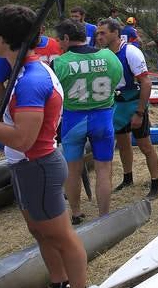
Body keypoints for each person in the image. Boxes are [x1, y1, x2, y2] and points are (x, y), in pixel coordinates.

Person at [0, 6, 91, 288]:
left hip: (38, 165)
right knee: (40, 231)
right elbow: (19, 119)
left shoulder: (32, 78)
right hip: (24, 167)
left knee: (61, 235)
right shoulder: (21, 72)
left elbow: (23, 139)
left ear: (3, 39)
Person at [52, 19, 122, 224]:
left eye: (59, 40)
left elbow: (54, 93)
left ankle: (75, 213)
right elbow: (117, 81)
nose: (58, 44)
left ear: (66, 38)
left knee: (72, 171)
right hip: (103, 117)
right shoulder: (109, 56)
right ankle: (104, 216)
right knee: (104, 170)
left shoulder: (59, 63)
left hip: (73, 119)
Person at [97, 18, 158, 200]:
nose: (99, 37)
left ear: (115, 33)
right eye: (98, 33)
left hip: (133, 103)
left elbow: (146, 83)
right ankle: (127, 178)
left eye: (103, 33)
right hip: (116, 104)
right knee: (123, 143)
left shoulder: (131, 52)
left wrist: (139, 112)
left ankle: (155, 184)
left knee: (145, 146)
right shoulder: (103, 54)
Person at [0, 25, 62, 101]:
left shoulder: (57, 45)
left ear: (42, 29)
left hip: (55, 97)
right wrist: (7, 104)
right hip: (26, 97)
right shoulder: (12, 50)